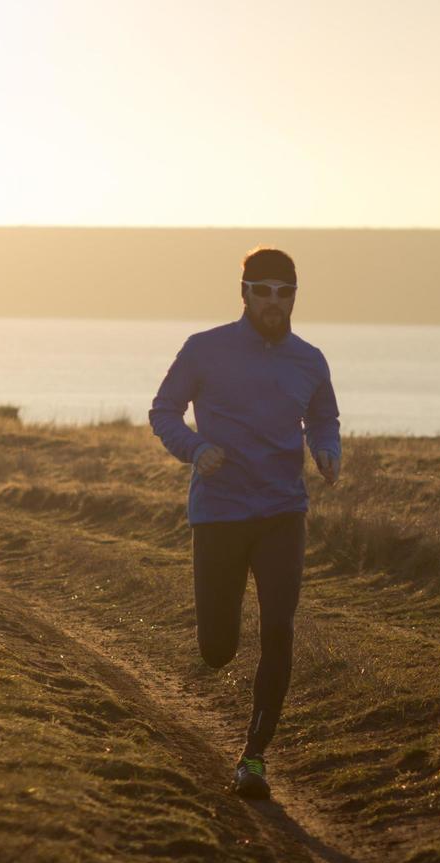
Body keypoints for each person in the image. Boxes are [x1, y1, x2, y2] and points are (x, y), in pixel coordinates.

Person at [149, 247, 341, 799]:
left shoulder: (309, 359)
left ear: (294, 297)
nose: (274, 303)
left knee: (279, 628)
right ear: (244, 293)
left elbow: (323, 416)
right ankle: (216, 647)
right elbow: (163, 410)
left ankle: (253, 758)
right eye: (264, 291)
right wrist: (194, 447)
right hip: (219, 514)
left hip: (284, 512)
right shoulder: (204, 350)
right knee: (217, 648)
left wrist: (327, 449)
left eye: (285, 293)